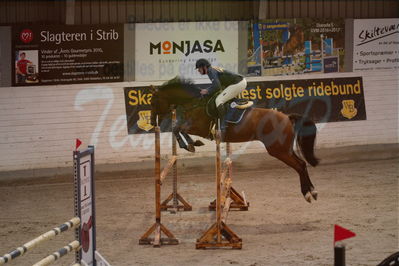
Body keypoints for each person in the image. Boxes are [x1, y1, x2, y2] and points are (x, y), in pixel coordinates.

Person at [195, 58, 247, 134]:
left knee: (219, 100)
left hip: (238, 83)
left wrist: (207, 91)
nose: (198, 71)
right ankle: (235, 103)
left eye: (199, 68)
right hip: (239, 82)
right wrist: (207, 90)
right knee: (221, 98)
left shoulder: (210, 71)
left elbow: (217, 86)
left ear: (204, 67)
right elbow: (217, 85)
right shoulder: (211, 69)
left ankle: (222, 125)